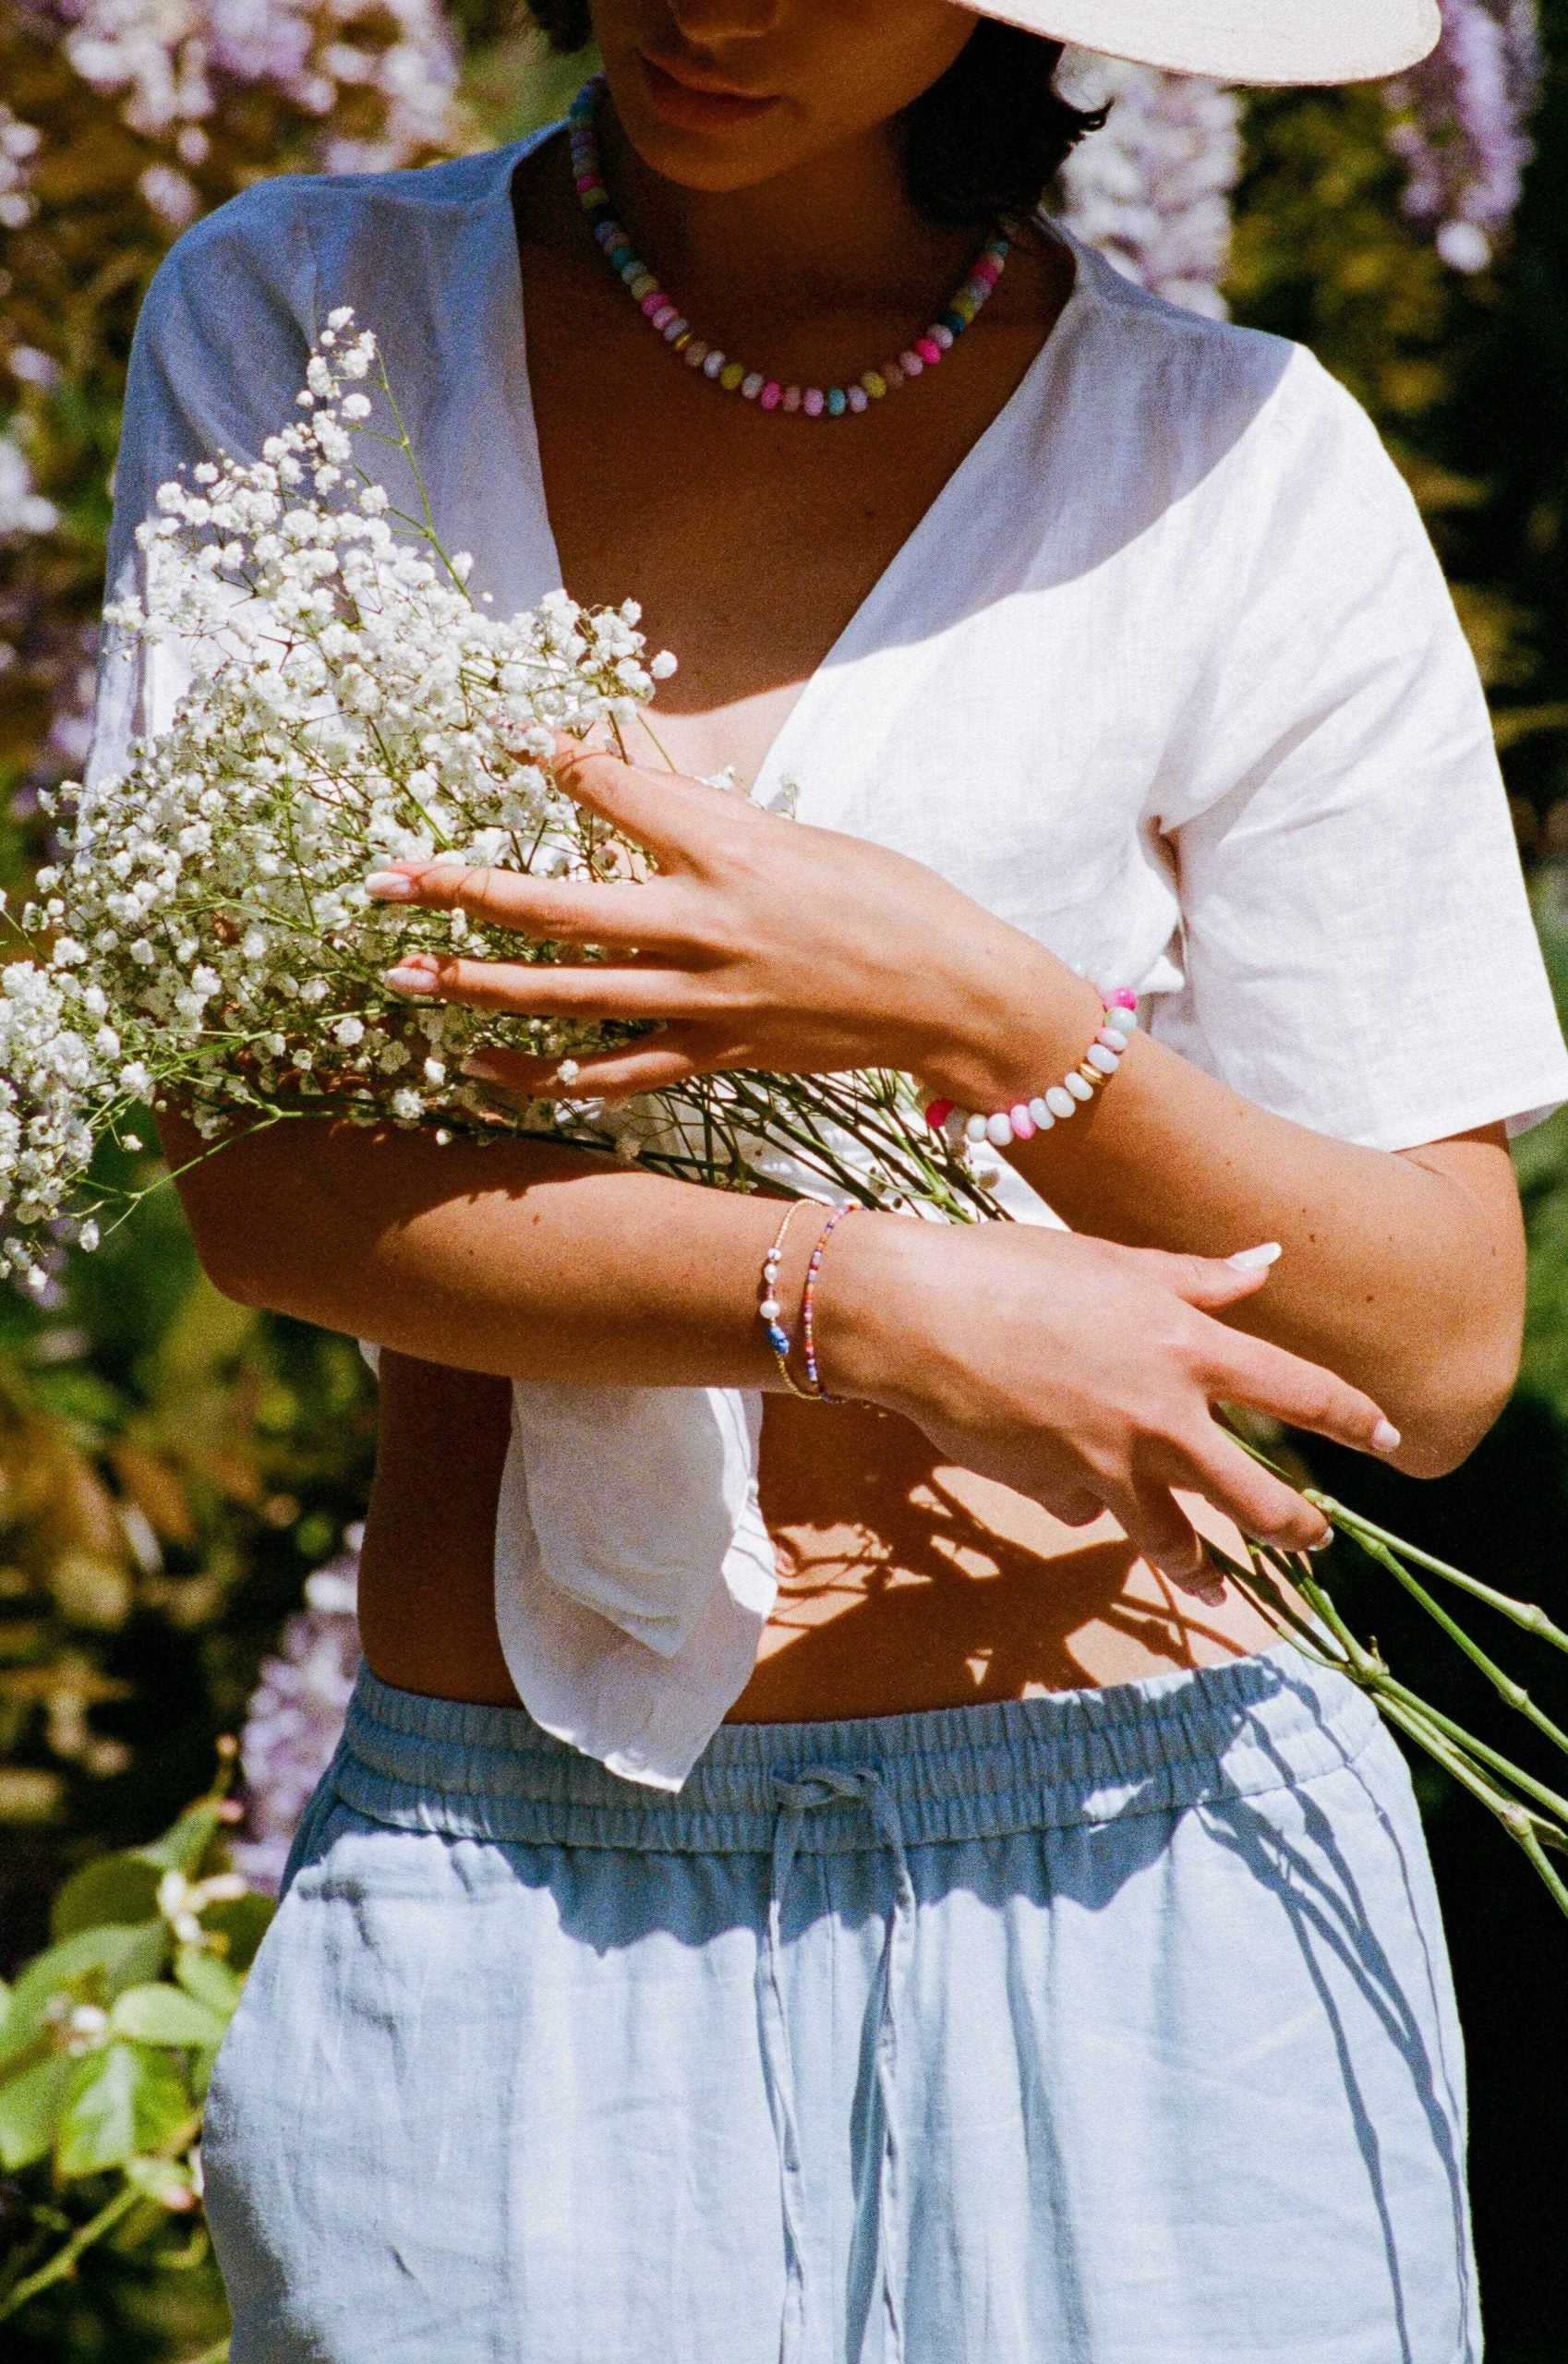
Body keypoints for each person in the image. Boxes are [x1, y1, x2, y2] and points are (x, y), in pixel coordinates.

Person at [94, 0, 1568, 2356]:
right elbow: (267, 1184)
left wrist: (987, 1014)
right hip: (516, 1908)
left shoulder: (1235, 460)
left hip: (1155, 1874)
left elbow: (1433, 1341)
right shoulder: (308, 325)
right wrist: (859, 1292)